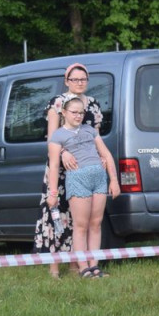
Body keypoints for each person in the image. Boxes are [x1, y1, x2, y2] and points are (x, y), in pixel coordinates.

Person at [34, 62, 105, 278]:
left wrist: (100, 158)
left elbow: (96, 137)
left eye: (83, 79)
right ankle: (54, 268)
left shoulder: (93, 105)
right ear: (67, 81)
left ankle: (80, 266)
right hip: (60, 166)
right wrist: (64, 153)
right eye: (75, 79)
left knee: (80, 220)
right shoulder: (56, 103)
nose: (79, 83)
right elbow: (52, 137)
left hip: (86, 167)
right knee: (56, 215)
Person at [46, 97, 120, 278]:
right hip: (78, 180)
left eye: (81, 113)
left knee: (96, 224)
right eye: (74, 112)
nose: (78, 116)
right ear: (64, 113)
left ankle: (95, 266)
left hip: (99, 179)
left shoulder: (90, 130)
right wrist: (53, 192)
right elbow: (54, 165)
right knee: (81, 225)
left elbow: (106, 154)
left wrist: (114, 180)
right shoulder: (58, 136)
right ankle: (83, 267)